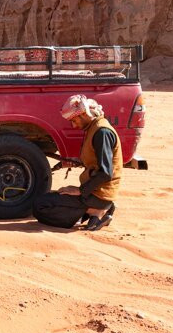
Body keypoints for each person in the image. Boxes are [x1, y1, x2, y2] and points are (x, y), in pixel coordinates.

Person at [33, 94, 121, 231]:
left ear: (83, 115)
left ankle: (97, 211)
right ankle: (94, 211)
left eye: (74, 121)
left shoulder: (102, 132)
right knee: (46, 199)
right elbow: (94, 160)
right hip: (93, 191)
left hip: (99, 194)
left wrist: (79, 191)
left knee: (40, 206)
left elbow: (106, 173)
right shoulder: (94, 127)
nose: (74, 125)